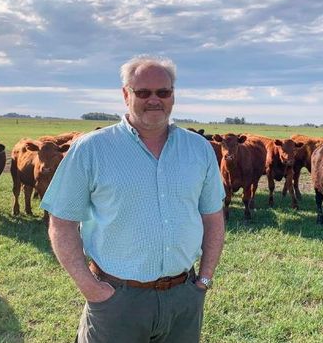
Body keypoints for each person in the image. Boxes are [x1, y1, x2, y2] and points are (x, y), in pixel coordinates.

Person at [41, 55, 225, 342]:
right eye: (143, 92)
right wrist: (92, 288)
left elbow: (213, 217)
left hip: (184, 296)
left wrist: (203, 279)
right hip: (117, 300)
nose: (154, 100)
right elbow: (61, 223)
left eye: (163, 92)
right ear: (126, 95)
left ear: (173, 96)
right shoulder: (91, 149)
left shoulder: (199, 149)